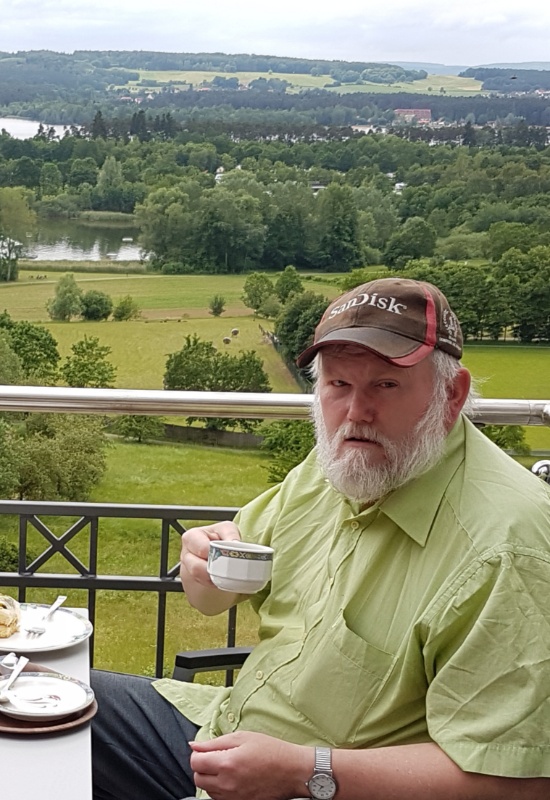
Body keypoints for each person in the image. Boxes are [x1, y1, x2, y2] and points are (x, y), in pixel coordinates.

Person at [92, 277, 550, 800]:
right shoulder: (341, 464)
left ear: (452, 394)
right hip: (226, 732)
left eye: (385, 385)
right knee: (40, 705)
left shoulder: (507, 548)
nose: (356, 412)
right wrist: (202, 564)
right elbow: (214, 597)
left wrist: (306, 771)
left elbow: (519, 781)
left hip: (314, 785)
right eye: (338, 384)